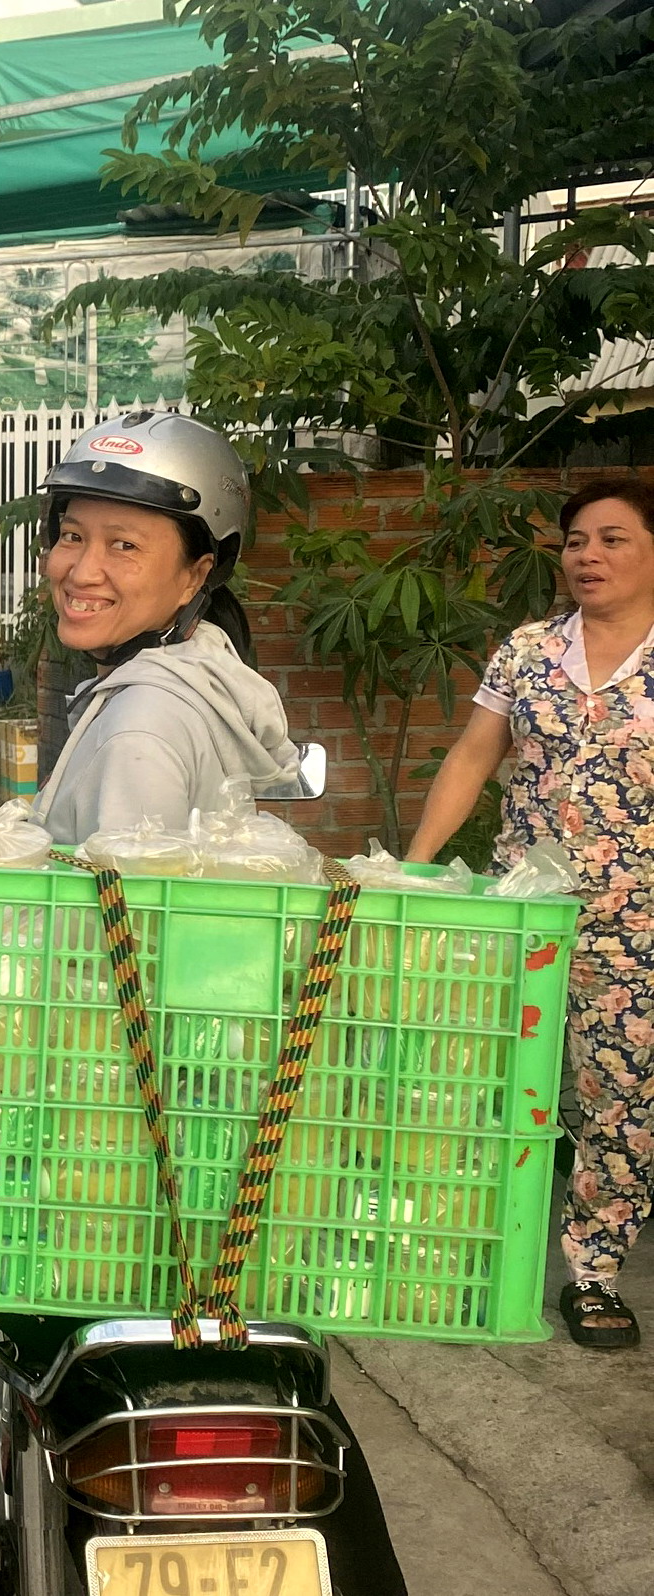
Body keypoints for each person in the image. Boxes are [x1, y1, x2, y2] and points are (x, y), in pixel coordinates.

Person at [0, 413, 407, 1596]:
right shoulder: (212, 686)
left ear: (196, 568)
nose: (78, 565)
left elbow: (111, 922)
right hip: (211, 1106)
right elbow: (90, 869)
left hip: (107, 1116)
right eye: (70, 536)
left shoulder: (144, 714)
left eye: (124, 544)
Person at [409, 477, 654, 1349]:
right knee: (489, 1085)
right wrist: (415, 867)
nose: (587, 555)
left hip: (640, 933)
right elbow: (475, 757)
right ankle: (468, 1256)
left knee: (620, 1104)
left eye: (613, 539)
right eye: (576, 540)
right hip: (524, 915)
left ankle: (592, 1273)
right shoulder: (527, 651)